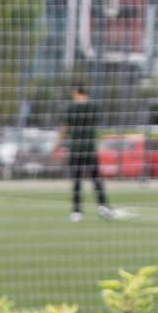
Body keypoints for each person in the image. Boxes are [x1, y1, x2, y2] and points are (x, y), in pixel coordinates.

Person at [59, 81, 116, 222]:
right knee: (96, 179)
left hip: (76, 149)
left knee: (77, 180)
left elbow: (64, 128)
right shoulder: (93, 106)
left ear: (75, 92)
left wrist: (58, 144)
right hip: (90, 148)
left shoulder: (71, 107)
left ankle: (76, 211)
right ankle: (104, 207)